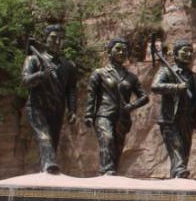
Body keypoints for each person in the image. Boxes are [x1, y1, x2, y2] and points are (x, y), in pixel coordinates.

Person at [84, 39, 149, 175]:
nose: (121, 52)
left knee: (117, 149)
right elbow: (91, 95)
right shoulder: (100, 73)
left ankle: (111, 173)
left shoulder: (131, 77)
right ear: (109, 52)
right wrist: (89, 114)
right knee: (107, 139)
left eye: (124, 50)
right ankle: (107, 171)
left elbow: (144, 97)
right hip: (104, 114)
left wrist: (132, 106)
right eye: (118, 49)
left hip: (122, 118)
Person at [21, 24, 77, 174]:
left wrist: (72, 110)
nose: (57, 42)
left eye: (61, 39)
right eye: (53, 38)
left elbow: (71, 90)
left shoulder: (68, 66)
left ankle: (45, 169)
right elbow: (25, 81)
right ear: (45, 39)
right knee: (44, 137)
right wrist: (41, 75)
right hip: (37, 107)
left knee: (52, 143)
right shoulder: (33, 59)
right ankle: (49, 164)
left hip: (57, 109)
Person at [152, 41, 196, 178]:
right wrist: (176, 87)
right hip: (170, 120)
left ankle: (176, 179)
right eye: (185, 51)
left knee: (183, 155)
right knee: (177, 148)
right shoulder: (167, 71)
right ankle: (179, 173)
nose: (189, 54)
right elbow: (155, 86)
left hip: (187, 121)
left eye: (191, 52)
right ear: (175, 54)